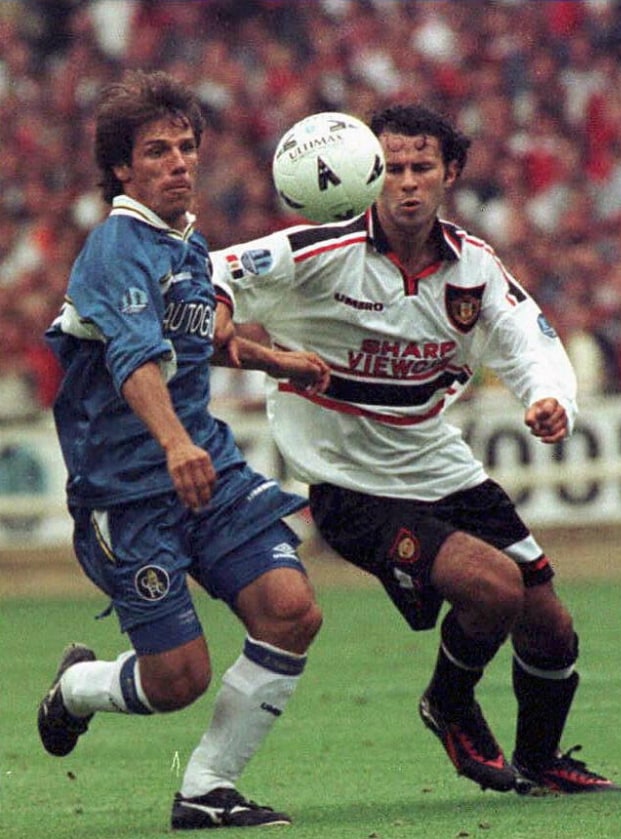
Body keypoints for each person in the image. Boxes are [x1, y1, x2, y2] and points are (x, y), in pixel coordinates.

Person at [210, 104, 621, 795]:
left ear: (450, 172)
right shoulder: (317, 254)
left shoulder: (474, 269)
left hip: (439, 466)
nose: (406, 182)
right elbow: (215, 273)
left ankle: (543, 761)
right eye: (393, 167)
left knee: (552, 626)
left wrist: (551, 399)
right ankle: (450, 702)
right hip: (351, 487)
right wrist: (222, 312)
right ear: (369, 172)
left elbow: (530, 341)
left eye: (421, 167)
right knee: (493, 587)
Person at [37, 69, 331, 831]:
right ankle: (76, 688)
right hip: (129, 494)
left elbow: (200, 341)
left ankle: (205, 790)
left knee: (291, 610)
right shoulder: (115, 249)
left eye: (187, 146)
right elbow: (134, 360)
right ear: (121, 170)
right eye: (157, 150)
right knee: (178, 679)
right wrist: (172, 443)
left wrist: (277, 360)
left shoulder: (188, 244)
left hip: (207, 470)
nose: (178, 161)